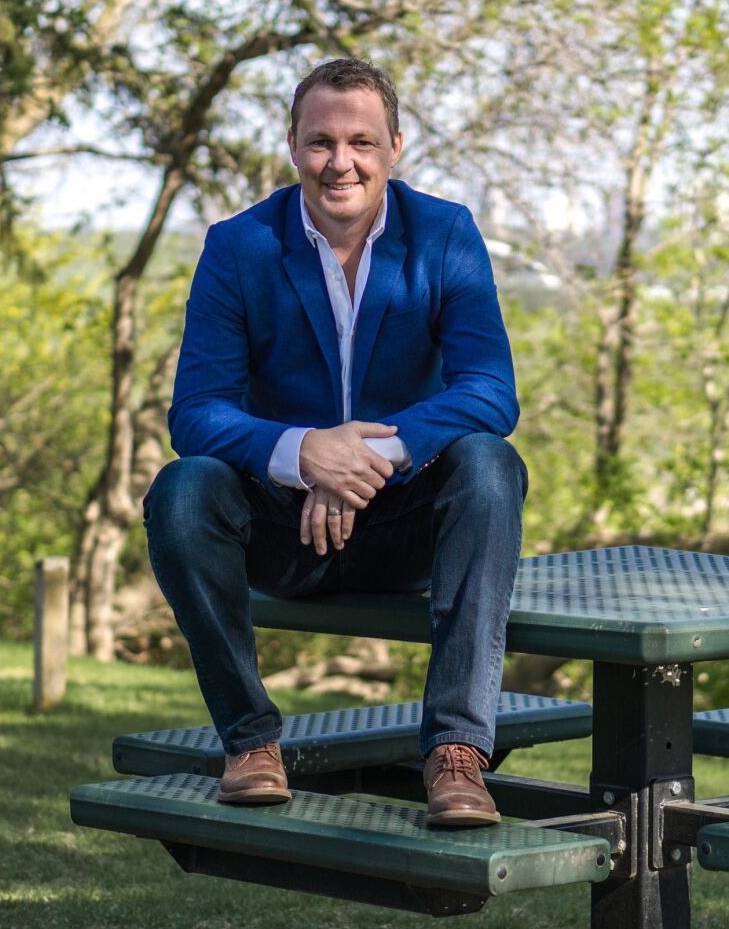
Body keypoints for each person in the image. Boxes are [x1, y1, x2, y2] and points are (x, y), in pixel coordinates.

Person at [143, 57, 528, 827]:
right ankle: (250, 738)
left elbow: (491, 391)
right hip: (283, 531)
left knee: (490, 464)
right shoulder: (238, 246)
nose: (340, 162)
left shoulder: (444, 234)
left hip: (401, 530)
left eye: (360, 141)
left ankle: (456, 750)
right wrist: (303, 451)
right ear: (292, 145)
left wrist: (367, 459)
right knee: (180, 492)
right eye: (321, 142)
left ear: (395, 146)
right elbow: (197, 411)